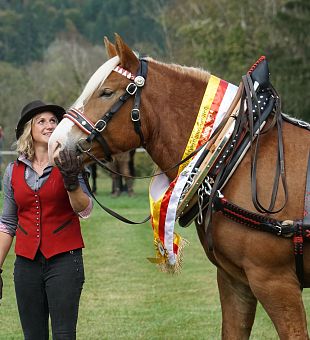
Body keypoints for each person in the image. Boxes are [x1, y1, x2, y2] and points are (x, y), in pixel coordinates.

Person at [0, 100, 93, 340]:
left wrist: (72, 183)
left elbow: (84, 209)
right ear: (28, 129)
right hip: (26, 265)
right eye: (41, 121)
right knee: (33, 335)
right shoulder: (12, 171)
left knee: (63, 335)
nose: (49, 125)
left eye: (53, 120)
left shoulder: (71, 164)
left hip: (64, 260)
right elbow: (7, 223)